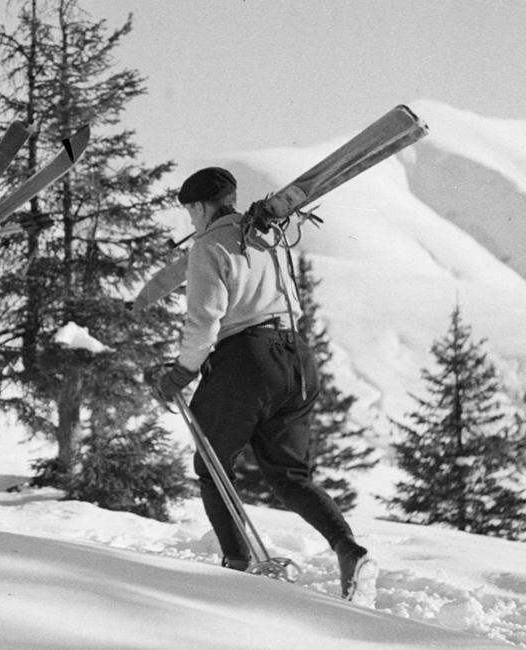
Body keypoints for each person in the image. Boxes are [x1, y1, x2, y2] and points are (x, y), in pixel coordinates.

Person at [153, 167, 376, 603]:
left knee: (212, 466)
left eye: (190, 213)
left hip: (246, 359)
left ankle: (237, 568)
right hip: (297, 358)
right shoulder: (267, 233)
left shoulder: (208, 246)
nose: (191, 223)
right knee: (291, 475)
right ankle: (350, 551)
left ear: (198, 207)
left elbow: (204, 320)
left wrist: (181, 371)